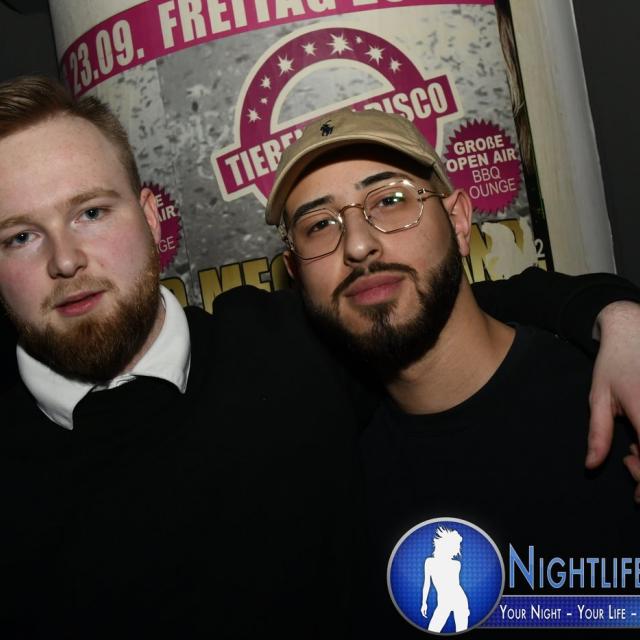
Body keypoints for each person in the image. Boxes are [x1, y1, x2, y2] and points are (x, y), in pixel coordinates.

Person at [0, 78, 637, 639]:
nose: (65, 260)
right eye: (20, 236)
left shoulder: (289, 353)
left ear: (149, 220)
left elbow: (432, 303)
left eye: (91, 212)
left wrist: (614, 314)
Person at [265, 107, 640, 636]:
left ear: (459, 222)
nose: (358, 245)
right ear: (295, 273)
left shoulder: (614, 394)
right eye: (319, 225)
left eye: (390, 200)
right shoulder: (329, 475)